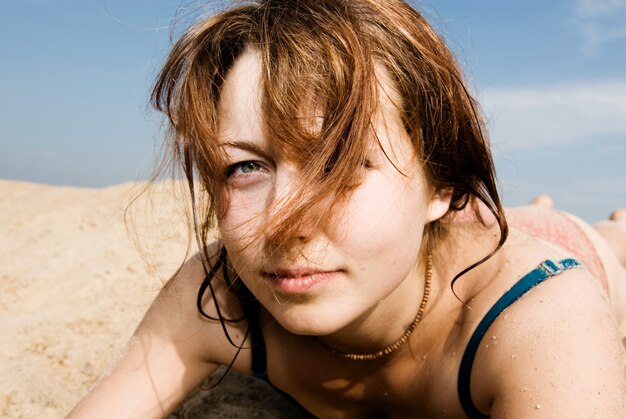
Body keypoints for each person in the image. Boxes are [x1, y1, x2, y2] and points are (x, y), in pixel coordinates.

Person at [69, 0, 626, 417]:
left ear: (443, 183)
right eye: (246, 167)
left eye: (337, 163)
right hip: (432, 237)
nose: (281, 223)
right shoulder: (217, 296)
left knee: (612, 237)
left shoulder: (540, 314)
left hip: (561, 249)